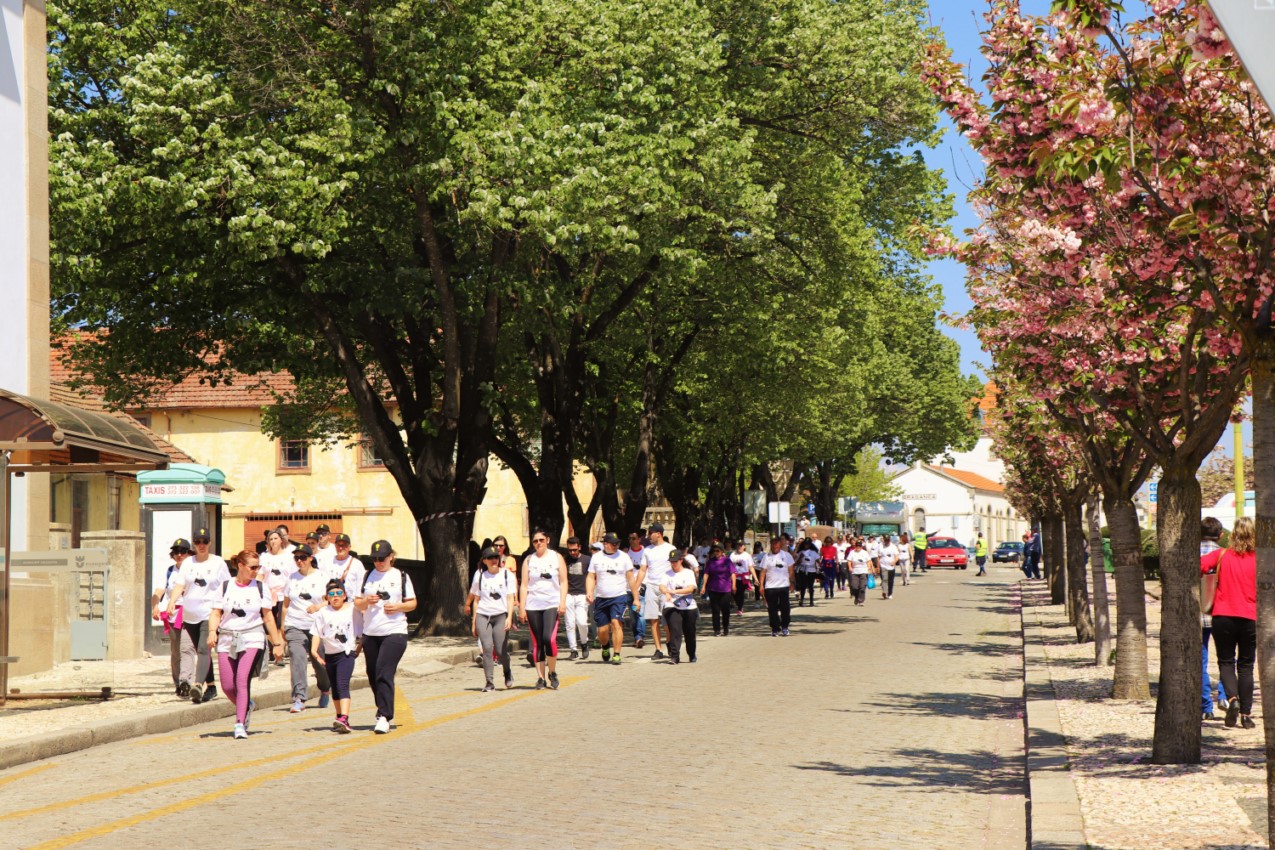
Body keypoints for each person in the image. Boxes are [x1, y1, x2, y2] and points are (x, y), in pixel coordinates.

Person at [207, 550, 285, 738]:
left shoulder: (260, 587)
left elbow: (267, 616)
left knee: (242, 679)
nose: (255, 571)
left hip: (253, 636)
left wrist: (277, 643)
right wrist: (212, 632)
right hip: (227, 637)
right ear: (240, 565)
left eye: (258, 567)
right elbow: (216, 612)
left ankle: (239, 723)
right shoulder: (225, 586)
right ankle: (247, 704)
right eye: (252, 567)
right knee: (227, 685)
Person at [354, 540, 417, 733]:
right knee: (372, 675)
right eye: (375, 559)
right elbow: (357, 603)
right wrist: (366, 601)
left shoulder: (401, 576)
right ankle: (382, 707)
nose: (378, 562)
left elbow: (412, 603)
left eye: (382, 558)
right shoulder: (367, 576)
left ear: (391, 557)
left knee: (383, 671)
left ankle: (384, 715)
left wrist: (398, 606)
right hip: (371, 632)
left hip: (394, 631)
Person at [1201, 517, 1256, 729]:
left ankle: (1232, 699)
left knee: (1226, 662)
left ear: (1232, 534)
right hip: (1250, 617)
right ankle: (1246, 715)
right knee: (1246, 666)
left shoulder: (1221, 555)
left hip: (1223, 615)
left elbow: (1198, 567)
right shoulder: (1260, 559)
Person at [166, 527, 231, 704]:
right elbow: (180, 585)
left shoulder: (218, 563)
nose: (201, 545)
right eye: (198, 542)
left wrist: (226, 609)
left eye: (204, 541)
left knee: (203, 649)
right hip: (190, 615)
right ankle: (211, 686)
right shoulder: (188, 563)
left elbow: (227, 586)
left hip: (209, 613)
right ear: (194, 544)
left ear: (210, 543)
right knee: (202, 651)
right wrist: (172, 601)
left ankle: (198, 684)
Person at [281, 544, 332, 713]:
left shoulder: (322, 577)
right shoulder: (292, 578)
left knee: (320, 663)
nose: (299, 561)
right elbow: (286, 605)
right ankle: (299, 697)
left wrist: (318, 607)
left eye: (303, 557)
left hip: (317, 626)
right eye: (297, 558)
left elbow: (332, 600)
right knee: (298, 658)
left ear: (311, 558)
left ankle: (325, 688)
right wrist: (283, 625)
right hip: (294, 624)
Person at [519, 530, 568, 690]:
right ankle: (540, 678)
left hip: (551, 604)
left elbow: (563, 581)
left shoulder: (556, 557)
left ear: (547, 540)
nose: (538, 543)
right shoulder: (528, 560)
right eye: (535, 541)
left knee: (549, 639)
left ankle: (552, 672)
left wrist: (562, 602)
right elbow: (524, 585)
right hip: (533, 605)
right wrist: (522, 607)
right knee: (537, 642)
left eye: (541, 540)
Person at [311, 578, 360, 732]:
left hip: (346, 654)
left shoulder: (352, 609)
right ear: (327, 598)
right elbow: (316, 633)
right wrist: (314, 651)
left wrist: (359, 647)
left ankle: (344, 717)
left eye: (339, 593)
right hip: (330, 655)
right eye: (331, 594)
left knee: (342, 684)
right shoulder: (322, 613)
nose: (335, 596)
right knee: (335, 688)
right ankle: (340, 717)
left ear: (345, 595)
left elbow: (363, 629)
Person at [465, 546, 517, 691]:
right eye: (490, 558)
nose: (494, 560)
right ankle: (489, 682)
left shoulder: (507, 575)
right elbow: (476, 599)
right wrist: (474, 621)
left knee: (500, 650)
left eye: (496, 557)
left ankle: (507, 672)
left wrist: (509, 617)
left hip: (501, 615)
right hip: (483, 615)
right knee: (487, 648)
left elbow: (510, 598)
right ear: (485, 560)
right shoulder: (479, 575)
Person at [152, 538, 194, 696]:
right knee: (176, 651)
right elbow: (159, 591)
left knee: (187, 648)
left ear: (189, 553)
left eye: (183, 551)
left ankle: (186, 681)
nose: (179, 555)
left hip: (190, 613)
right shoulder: (169, 571)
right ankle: (178, 683)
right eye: (176, 552)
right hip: (172, 615)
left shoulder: (193, 570)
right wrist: (155, 605)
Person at [588, 532, 638, 664]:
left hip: (619, 596)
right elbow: (590, 576)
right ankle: (605, 646)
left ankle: (617, 653)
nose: (616, 546)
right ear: (605, 544)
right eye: (613, 543)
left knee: (616, 623)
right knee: (602, 630)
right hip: (601, 597)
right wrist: (589, 591)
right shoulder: (596, 557)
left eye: (618, 543)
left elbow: (631, 578)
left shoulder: (624, 557)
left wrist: (636, 598)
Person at [1200, 517, 1228, 721]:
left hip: (1197, 613)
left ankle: (1206, 706)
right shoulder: (1225, 555)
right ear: (1221, 535)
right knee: (1226, 658)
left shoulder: (1189, 554)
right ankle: (1225, 696)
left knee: (1201, 661)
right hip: (1220, 612)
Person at [636, 523, 675, 660]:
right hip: (651, 587)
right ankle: (658, 649)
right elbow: (642, 570)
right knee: (653, 619)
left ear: (658, 533)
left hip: (666, 588)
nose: (648, 536)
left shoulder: (670, 549)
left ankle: (669, 642)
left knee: (669, 620)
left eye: (650, 532)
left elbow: (675, 568)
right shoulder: (647, 550)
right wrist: (635, 587)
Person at [661, 550, 700, 663]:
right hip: (672, 605)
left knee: (689, 632)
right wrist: (666, 592)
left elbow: (691, 588)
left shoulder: (688, 573)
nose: (673, 563)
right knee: (675, 630)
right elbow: (662, 586)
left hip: (688, 606)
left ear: (681, 561)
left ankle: (691, 653)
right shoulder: (667, 574)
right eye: (671, 561)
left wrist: (673, 591)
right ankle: (674, 656)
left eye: (675, 561)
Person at [259, 530, 292, 660]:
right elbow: (260, 575)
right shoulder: (264, 557)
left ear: (281, 540)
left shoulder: (289, 557)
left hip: (283, 594)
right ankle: (275, 647)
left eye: (275, 538)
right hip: (268, 594)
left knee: (280, 624)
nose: (273, 541)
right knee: (267, 623)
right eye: (271, 539)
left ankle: (280, 652)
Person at [758, 538, 795, 637]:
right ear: (771, 545)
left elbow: (791, 570)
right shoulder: (766, 557)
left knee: (785, 608)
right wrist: (761, 585)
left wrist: (792, 582)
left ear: (780, 545)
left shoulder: (786, 556)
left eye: (777, 545)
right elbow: (763, 572)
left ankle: (785, 626)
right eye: (773, 545)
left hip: (783, 585)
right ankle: (775, 628)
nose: (775, 547)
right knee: (772, 609)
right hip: (770, 587)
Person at [563, 536, 592, 660]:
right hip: (568, 594)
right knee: (570, 623)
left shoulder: (587, 560)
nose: (573, 553)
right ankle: (573, 649)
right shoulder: (565, 560)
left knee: (582, 622)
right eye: (570, 550)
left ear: (579, 547)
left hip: (582, 594)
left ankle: (584, 643)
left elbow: (592, 577)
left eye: (575, 550)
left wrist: (590, 592)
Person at [698, 544, 735, 637]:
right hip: (713, 589)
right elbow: (706, 574)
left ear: (722, 551)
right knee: (715, 611)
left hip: (725, 589)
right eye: (714, 551)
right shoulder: (711, 562)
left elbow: (733, 573)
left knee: (725, 611)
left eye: (718, 551)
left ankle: (725, 627)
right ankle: (717, 630)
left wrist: (734, 585)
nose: (716, 552)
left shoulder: (727, 561)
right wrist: (703, 586)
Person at [625, 531, 649, 647]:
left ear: (639, 539)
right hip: (627, 588)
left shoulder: (646, 552)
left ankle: (640, 637)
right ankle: (636, 636)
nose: (631, 540)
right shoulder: (625, 553)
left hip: (640, 587)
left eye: (634, 538)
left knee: (641, 613)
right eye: (630, 538)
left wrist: (642, 584)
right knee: (633, 615)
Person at [728, 540, 757, 615]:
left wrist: (755, 578)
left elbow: (751, 567)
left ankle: (740, 608)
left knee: (740, 592)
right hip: (734, 576)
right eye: (738, 545)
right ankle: (738, 604)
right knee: (734, 592)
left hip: (743, 577)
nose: (739, 547)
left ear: (744, 546)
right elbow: (729, 566)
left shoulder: (747, 555)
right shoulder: (732, 555)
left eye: (741, 545)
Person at [794, 538, 820, 607]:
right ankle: (801, 600)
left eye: (808, 544)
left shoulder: (813, 552)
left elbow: (818, 561)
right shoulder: (800, 552)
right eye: (805, 544)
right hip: (803, 570)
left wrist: (819, 565)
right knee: (803, 586)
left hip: (811, 570)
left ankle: (811, 600)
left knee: (811, 586)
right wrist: (800, 557)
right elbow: (796, 562)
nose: (807, 545)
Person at [848, 538, 872, 606]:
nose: (858, 547)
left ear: (861, 546)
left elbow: (868, 561)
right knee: (854, 586)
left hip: (863, 571)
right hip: (855, 571)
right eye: (857, 546)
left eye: (859, 546)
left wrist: (869, 568)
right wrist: (850, 567)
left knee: (862, 586)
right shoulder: (852, 552)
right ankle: (856, 597)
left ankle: (861, 600)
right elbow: (849, 561)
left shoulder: (865, 552)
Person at [878, 535, 899, 600]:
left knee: (890, 581)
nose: (887, 542)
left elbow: (896, 556)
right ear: (883, 540)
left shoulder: (893, 547)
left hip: (891, 566)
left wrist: (894, 561)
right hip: (883, 565)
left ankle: (889, 593)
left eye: (888, 540)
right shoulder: (880, 547)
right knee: (884, 579)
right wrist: (878, 566)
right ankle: (885, 592)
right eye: (885, 540)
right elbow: (878, 557)